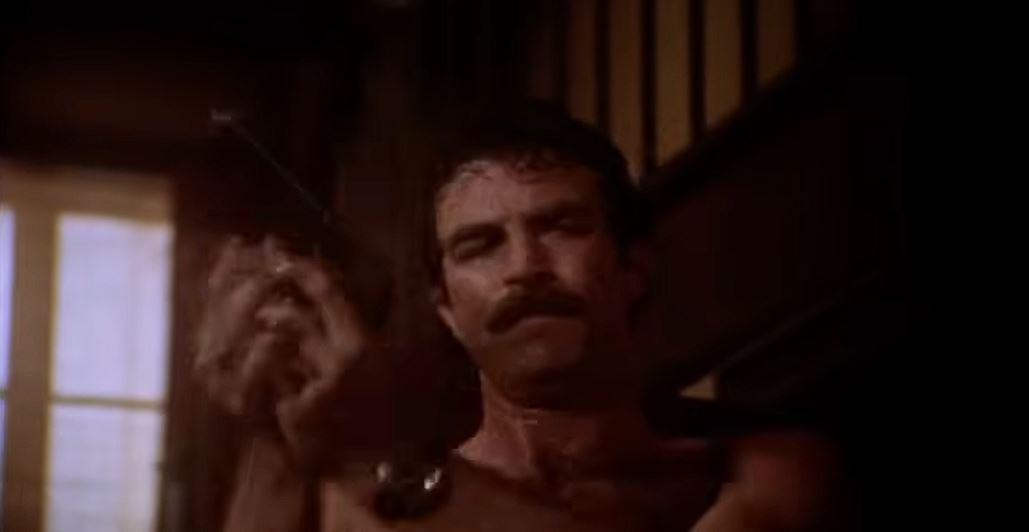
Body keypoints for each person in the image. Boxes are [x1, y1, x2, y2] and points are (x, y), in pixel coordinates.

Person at [195, 103, 847, 531]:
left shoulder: (762, 469)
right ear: (446, 308)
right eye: (479, 245)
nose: (525, 267)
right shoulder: (358, 499)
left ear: (632, 269)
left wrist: (379, 458)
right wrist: (272, 425)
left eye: (561, 226)